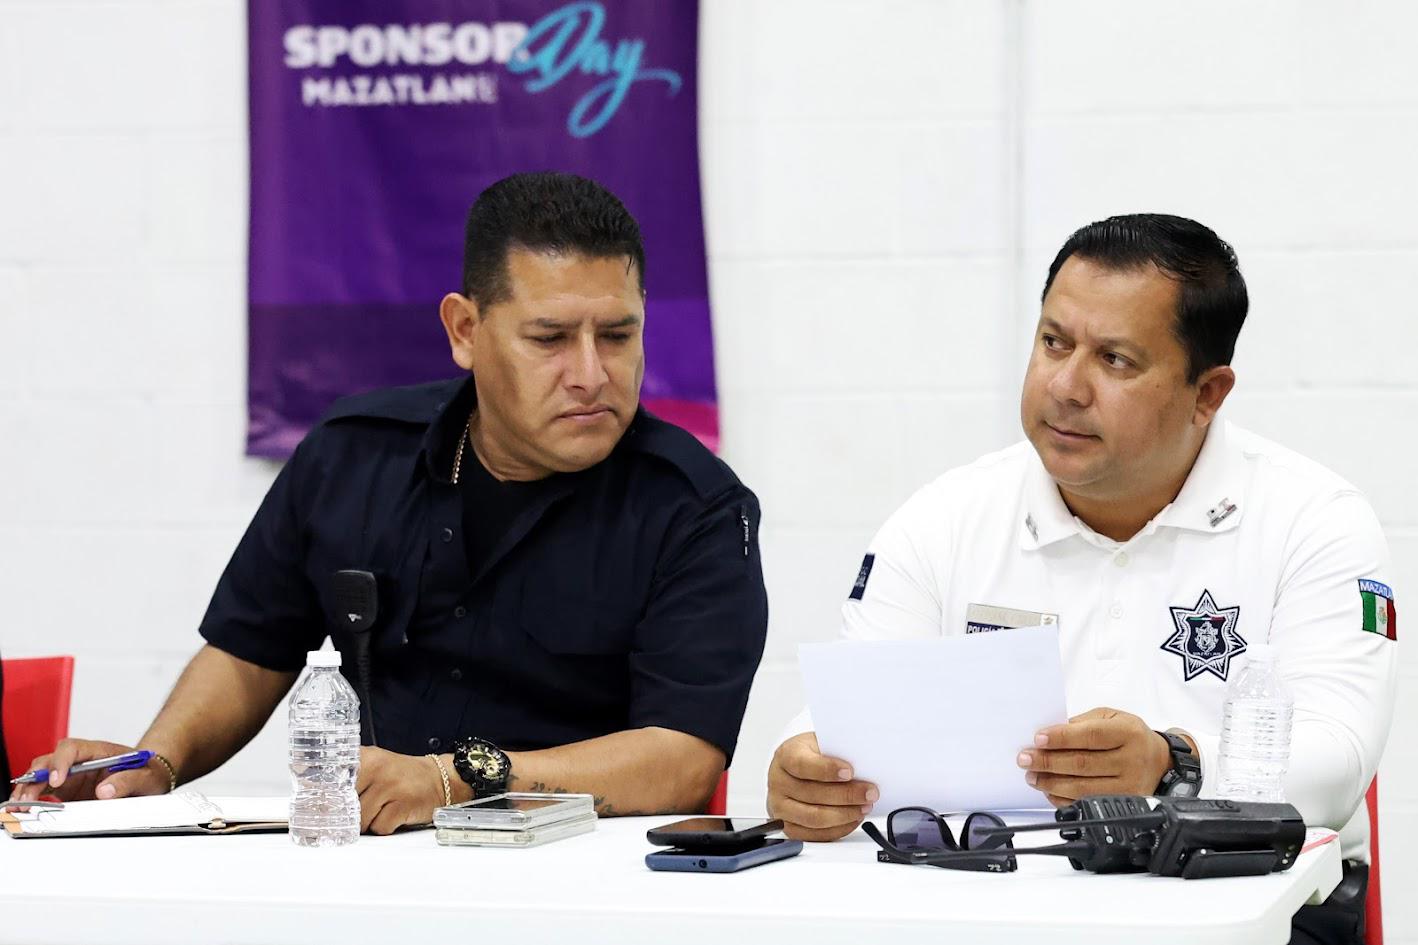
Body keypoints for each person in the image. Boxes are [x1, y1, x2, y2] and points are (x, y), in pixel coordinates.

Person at [13, 172, 768, 832]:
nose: (591, 373)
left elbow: (680, 759)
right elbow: (248, 652)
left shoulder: (698, 508)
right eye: (549, 338)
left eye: (617, 334)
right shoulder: (352, 452)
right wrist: (157, 763)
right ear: (465, 330)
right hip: (372, 868)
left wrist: (452, 780)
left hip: (584, 881)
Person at [766, 214, 1395, 945]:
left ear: (1208, 393)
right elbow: (849, 709)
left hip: (1248, 907)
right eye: (1053, 342)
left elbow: (1337, 763)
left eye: (1117, 361)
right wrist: (805, 763)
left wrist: (1172, 765)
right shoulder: (943, 517)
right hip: (1000, 906)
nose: (1066, 386)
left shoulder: (1315, 521)